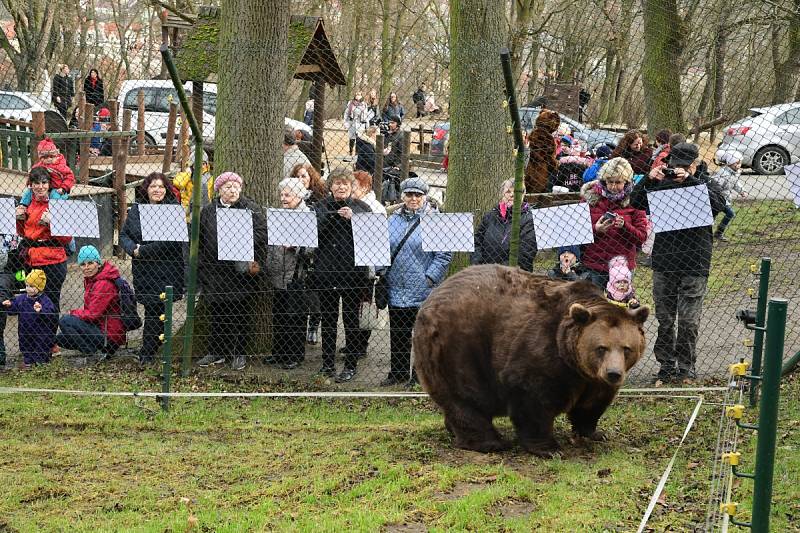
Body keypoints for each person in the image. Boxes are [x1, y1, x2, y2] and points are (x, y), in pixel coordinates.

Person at [630, 142, 726, 384]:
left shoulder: (706, 183)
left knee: (688, 321)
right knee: (665, 319)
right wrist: (650, 179)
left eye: (684, 166)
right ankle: (666, 366)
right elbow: (635, 203)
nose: (678, 170)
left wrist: (692, 181)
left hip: (695, 261)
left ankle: (686, 366)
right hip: (664, 261)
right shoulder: (662, 183)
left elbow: (719, 206)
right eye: (675, 166)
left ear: (694, 165)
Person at [381, 177, 452, 387]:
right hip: (396, 285)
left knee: (422, 336)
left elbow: (443, 255)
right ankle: (398, 371)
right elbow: (382, 248)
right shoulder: (392, 220)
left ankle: (419, 375)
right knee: (398, 333)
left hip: (423, 288)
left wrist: (429, 277)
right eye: (409, 194)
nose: (413, 199)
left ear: (425, 197)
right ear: (402, 196)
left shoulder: (434, 221)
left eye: (418, 195)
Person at [197, 172, 268, 371]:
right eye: (228, 187)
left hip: (240, 273)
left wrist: (241, 239)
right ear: (219, 189)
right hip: (215, 272)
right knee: (217, 315)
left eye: (236, 186)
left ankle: (239, 353)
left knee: (240, 314)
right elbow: (201, 238)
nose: (233, 190)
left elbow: (263, 232)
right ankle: (216, 352)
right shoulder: (209, 211)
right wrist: (202, 266)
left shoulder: (250, 208)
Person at [312, 167, 372, 383]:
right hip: (326, 273)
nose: (340, 187)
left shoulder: (363, 209)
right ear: (330, 186)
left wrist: (353, 219)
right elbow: (313, 234)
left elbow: (371, 240)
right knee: (328, 320)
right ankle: (327, 363)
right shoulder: (320, 207)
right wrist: (332, 216)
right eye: (336, 183)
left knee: (351, 320)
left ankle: (350, 365)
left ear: (351, 186)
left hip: (352, 275)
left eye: (345, 184)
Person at [120, 172, 186, 364]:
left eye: (161, 187)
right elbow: (124, 234)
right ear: (146, 189)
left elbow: (171, 242)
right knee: (151, 309)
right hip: (144, 270)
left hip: (166, 269)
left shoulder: (173, 210)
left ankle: (148, 352)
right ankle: (151, 348)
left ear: (166, 190)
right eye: (153, 186)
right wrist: (132, 249)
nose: (157, 190)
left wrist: (144, 251)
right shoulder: (137, 210)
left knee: (158, 310)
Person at [15, 167, 70, 345]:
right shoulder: (28, 204)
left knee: (50, 302)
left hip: (53, 260)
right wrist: (19, 219)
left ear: (49, 185)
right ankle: (35, 341)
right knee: (32, 301)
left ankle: (50, 342)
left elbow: (66, 238)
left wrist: (53, 222)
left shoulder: (57, 205)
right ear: (30, 185)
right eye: (36, 183)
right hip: (32, 259)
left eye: (43, 182)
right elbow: (24, 233)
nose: (40, 187)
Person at [580, 157, 648, 289]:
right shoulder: (590, 198)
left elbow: (642, 236)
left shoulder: (635, 200)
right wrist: (595, 229)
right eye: (610, 182)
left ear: (627, 181)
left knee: (618, 306)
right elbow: (576, 231)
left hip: (622, 265)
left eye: (618, 182)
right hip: (595, 263)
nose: (613, 187)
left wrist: (625, 227)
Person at [266, 177, 312, 370]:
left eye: (288, 195)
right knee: (279, 314)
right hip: (278, 270)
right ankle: (279, 352)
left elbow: (312, 247)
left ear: (299, 196)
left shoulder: (307, 215)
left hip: (297, 273)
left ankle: (295, 355)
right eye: (282, 194)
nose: (284, 198)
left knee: (295, 316)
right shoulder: (278, 214)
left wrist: (296, 246)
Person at [56, 246, 125, 364]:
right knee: (60, 338)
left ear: (98, 263)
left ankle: (93, 353)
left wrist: (73, 313)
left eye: (90, 263)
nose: (86, 267)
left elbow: (93, 314)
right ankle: (96, 350)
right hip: (101, 328)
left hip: (109, 335)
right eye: (83, 264)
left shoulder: (103, 283)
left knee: (65, 321)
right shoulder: (94, 279)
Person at [472, 179, 537, 271]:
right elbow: (477, 242)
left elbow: (525, 254)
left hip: (513, 275)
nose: (511, 195)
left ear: (523, 195)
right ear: (502, 194)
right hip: (484, 273)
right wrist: (478, 266)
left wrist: (498, 272)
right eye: (508, 191)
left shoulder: (529, 219)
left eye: (516, 192)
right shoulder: (490, 216)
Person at [3, 270, 56, 368]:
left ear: (39, 287)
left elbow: (51, 313)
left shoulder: (44, 300)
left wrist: (41, 310)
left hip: (41, 332)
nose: (28, 289)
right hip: (25, 331)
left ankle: (41, 364)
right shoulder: (22, 299)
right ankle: (28, 363)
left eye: (32, 286)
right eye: (27, 286)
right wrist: (10, 305)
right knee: (25, 346)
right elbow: (15, 308)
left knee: (41, 347)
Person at [19, 139, 75, 213]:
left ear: (56, 155)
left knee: (54, 195)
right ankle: (23, 206)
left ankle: (54, 211)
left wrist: (64, 188)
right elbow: (33, 173)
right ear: (41, 158)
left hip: (58, 189)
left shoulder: (61, 166)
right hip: (46, 186)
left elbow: (70, 178)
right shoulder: (40, 165)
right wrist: (29, 183)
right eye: (45, 157)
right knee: (28, 191)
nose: (49, 159)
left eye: (51, 157)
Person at [711, 150, 746, 242]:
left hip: (725, 199)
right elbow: (716, 186)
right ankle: (715, 233)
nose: (739, 165)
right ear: (730, 163)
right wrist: (717, 197)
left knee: (723, 215)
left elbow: (735, 183)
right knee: (727, 214)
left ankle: (718, 233)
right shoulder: (723, 174)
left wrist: (741, 191)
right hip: (718, 198)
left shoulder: (735, 172)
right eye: (736, 163)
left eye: (740, 163)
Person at [173, 146, 214, 218]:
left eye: (203, 163)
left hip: (206, 210)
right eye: (197, 163)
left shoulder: (211, 178)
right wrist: (188, 172)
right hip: (187, 212)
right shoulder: (187, 176)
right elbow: (178, 183)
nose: (200, 166)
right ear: (192, 165)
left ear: (207, 165)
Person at [344, 91, 369, 156]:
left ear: (361, 96)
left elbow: (366, 115)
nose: (358, 95)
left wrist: (367, 125)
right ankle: (351, 151)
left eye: (359, 94)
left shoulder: (364, 104)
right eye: (357, 94)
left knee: (359, 139)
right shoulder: (350, 103)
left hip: (360, 123)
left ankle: (357, 153)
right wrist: (345, 123)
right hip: (352, 122)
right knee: (352, 138)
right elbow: (346, 113)